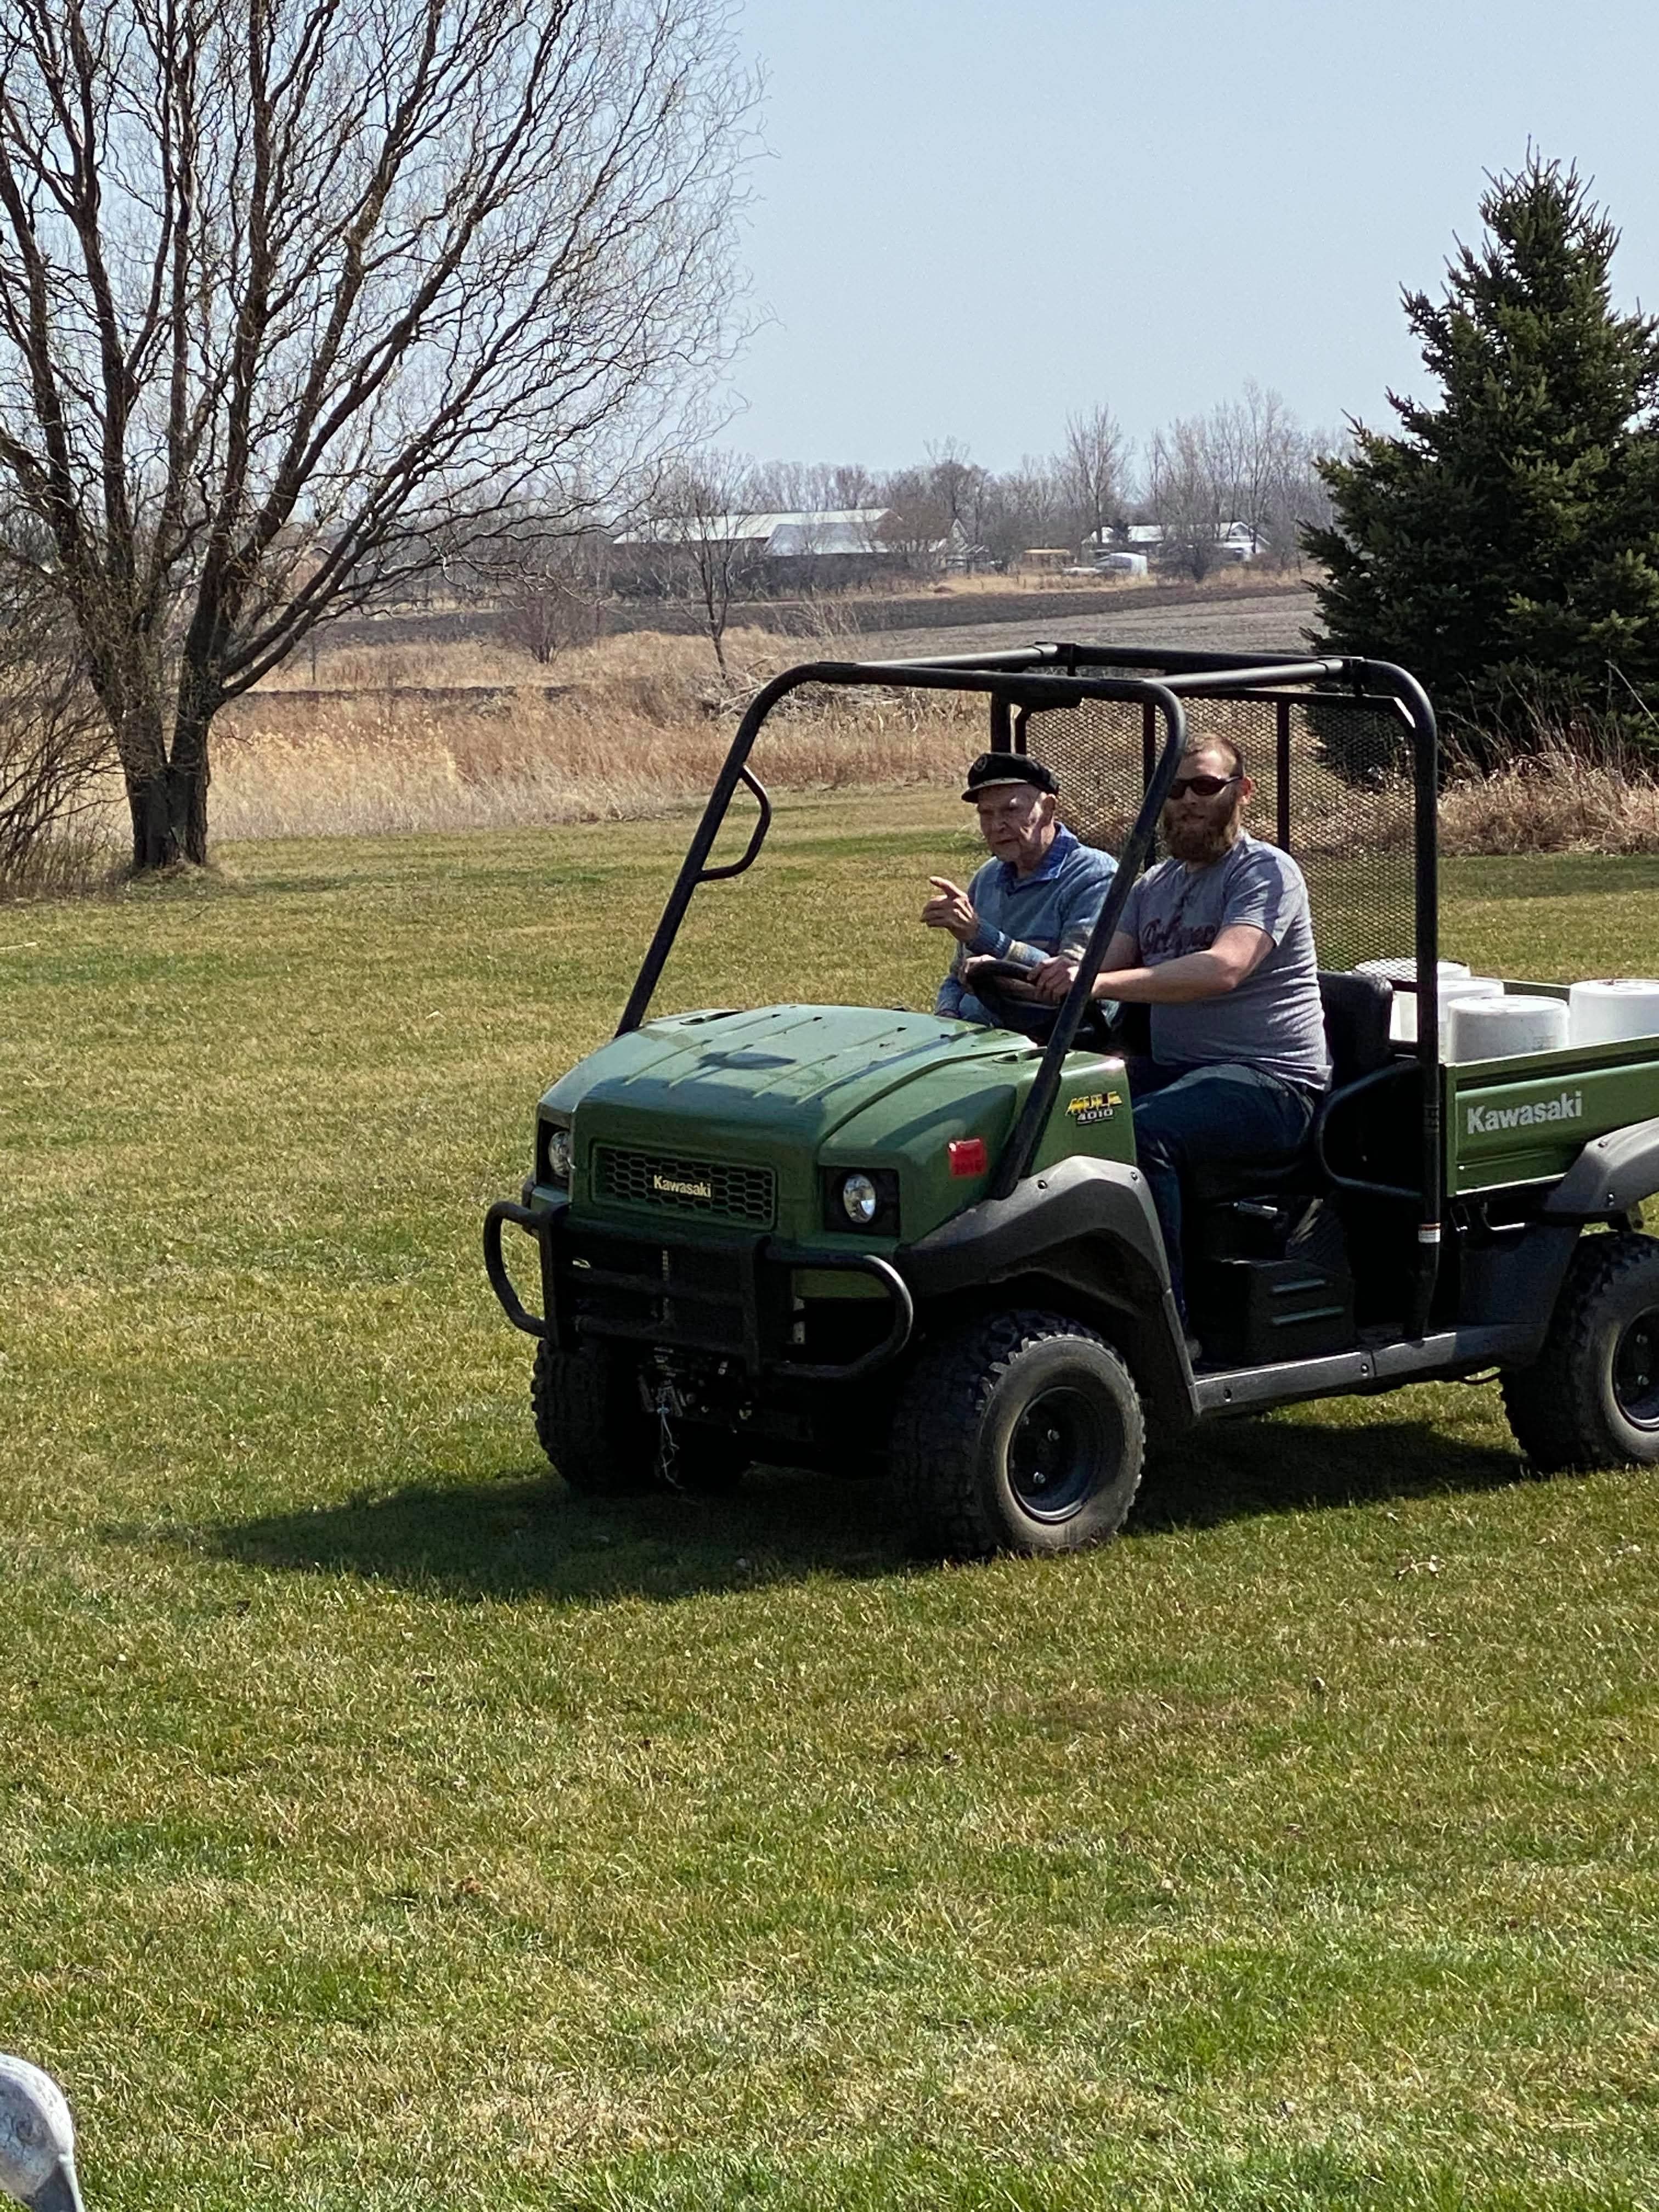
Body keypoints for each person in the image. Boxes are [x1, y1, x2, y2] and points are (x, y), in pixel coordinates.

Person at [1030, 735, 1330, 1327]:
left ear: (1241, 792)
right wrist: (1020, 967)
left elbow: (1224, 968)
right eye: (1174, 790)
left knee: (1143, 1135)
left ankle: (1162, 1319)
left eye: (1205, 786)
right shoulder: (1155, 886)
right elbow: (1102, 963)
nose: (1188, 801)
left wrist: (1097, 984)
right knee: (1054, 1105)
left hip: (1273, 1085)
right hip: (1182, 1072)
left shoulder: (1267, 872)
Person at [923, 751, 1116, 1038]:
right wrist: (947, 1019)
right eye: (985, 814)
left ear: (1048, 809)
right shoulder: (989, 877)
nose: (995, 826)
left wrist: (982, 936)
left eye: (1011, 811)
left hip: (1055, 1043)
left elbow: (1070, 979)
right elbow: (957, 977)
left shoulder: (1092, 875)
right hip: (979, 1037)